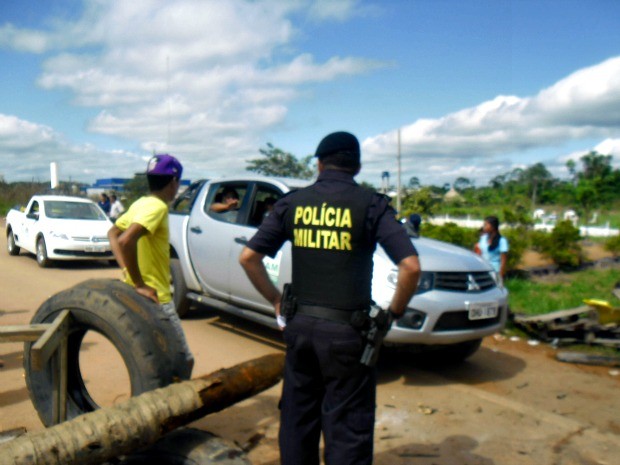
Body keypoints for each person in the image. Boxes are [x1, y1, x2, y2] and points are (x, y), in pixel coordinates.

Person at [239, 131, 421, 465]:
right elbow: (410, 267)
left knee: (297, 417)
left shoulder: (292, 203)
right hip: (347, 336)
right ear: (357, 165)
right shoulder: (371, 204)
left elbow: (248, 257)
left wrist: (276, 300)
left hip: (300, 328)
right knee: (347, 426)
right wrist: (392, 314)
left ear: (320, 164)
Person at [108, 154, 193, 375]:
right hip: (157, 297)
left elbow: (112, 233)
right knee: (184, 360)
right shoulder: (158, 207)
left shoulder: (140, 203)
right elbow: (126, 240)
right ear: (174, 182)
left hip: (135, 295)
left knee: (155, 356)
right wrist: (139, 282)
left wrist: (126, 270)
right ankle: (178, 408)